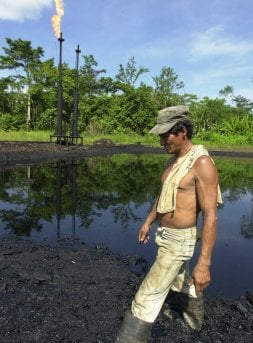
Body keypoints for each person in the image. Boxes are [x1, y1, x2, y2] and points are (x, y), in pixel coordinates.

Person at [116, 105, 222, 342]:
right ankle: (195, 324)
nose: (162, 142)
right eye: (161, 137)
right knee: (181, 279)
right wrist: (149, 221)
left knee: (148, 296)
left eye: (166, 136)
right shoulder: (175, 160)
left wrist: (204, 263)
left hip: (180, 240)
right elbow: (163, 196)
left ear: (182, 131)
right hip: (165, 234)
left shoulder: (201, 163)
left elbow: (211, 215)